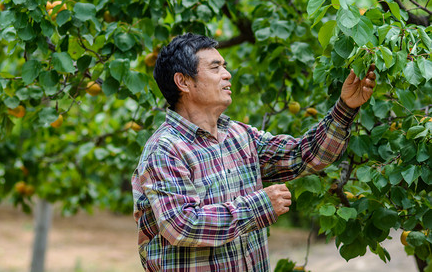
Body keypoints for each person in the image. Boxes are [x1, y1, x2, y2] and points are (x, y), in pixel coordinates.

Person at [131, 33, 376, 271]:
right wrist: (259, 206)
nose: (227, 75)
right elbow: (182, 226)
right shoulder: (165, 149)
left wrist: (345, 108)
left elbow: (302, 156)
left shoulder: (240, 136)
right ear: (183, 81)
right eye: (215, 68)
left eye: (224, 67)